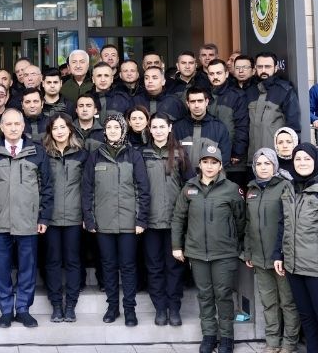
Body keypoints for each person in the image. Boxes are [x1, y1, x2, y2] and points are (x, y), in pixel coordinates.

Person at [0, 110, 54, 329]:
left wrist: (44, 216)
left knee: (27, 267)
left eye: (17, 124)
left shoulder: (37, 152)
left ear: (23, 126)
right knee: (1, 268)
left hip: (28, 221)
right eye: (9, 124)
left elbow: (47, 187)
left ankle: (23, 309)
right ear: (1, 127)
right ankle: (6, 310)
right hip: (0, 221)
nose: (13, 128)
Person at [173, 145, 246, 353]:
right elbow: (178, 218)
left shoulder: (231, 189)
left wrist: (235, 243)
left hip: (224, 253)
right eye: (205, 162)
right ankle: (209, 336)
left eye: (214, 162)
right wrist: (177, 246)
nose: (209, 166)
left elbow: (241, 220)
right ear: (199, 164)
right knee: (205, 295)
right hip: (197, 253)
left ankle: (227, 338)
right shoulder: (189, 188)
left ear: (220, 165)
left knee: (223, 295)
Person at [276, 143, 318, 353]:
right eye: (298, 159)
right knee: (306, 318)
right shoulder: (288, 188)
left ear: (315, 160)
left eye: (307, 158)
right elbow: (282, 224)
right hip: (293, 266)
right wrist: (278, 254)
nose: (302, 163)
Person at [81, 111, 150, 326]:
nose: (112, 131)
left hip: (129, 224)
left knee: (128, 267)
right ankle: (112, 307)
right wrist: (89, 219)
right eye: (109, 127)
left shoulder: (134, 155)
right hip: (103, 224)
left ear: (123, 130)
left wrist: (141, 220)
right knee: (108, 266)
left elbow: (142, 189)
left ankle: (130, 309)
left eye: (116, 127)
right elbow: (87, 190)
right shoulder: (95, 156)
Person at [242, 149, 299, 353]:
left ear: (274, 165)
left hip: (280, 258)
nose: (263, 167)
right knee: (268, 303)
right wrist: (248, 252)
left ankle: (289, 343)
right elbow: (248, 224)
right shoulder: (251, 190)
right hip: (259, 257)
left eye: (267, 163)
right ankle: (272, 342)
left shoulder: (285, 186)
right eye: (259, 164)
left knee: (287, 303)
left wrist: (282, 253)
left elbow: (289, 223)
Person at [141, 115, 186, 326]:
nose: (158, 130)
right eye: (154, 127)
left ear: (169, 128)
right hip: (150, 222)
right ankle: (160, 308)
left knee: (174, 267)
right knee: (154, 267)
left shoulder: (180, 153)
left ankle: (174, 308)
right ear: (149, 130)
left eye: (162, 126)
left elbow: (188, 186)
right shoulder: (142, 154)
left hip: (174, 222)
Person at [42, 114, 86, 323]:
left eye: (62, 127)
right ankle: (56, 305)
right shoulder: (44, 154)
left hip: (74, 218)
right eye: (55, 128)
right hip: (50, 218)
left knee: (73, 262)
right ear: (50, 132)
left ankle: (71, 305)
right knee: (52, 262)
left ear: (70, 129)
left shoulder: (82, 154)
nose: (59, 131)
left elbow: (87, 187)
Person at [248, 52, 302, 157]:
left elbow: (293, 125)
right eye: (260, 66)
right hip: (253, 157)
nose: (263, 70)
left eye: (267, 66)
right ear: (255, 68)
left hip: (276, 156)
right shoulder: (250, 90)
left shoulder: (285, 90)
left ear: (276, 68)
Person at [206, 59, 249, 171]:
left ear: (226, 74)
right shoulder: (205, 95)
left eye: (219, 73)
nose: (215, 77)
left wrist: (237, 152)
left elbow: (242, 126)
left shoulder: (237, 96)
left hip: (232, 158)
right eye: (211, 74)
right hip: (208, 155)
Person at [174, 88, 233, 168]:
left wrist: (208, 173)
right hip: (183, 176)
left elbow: (224, 159)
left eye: (200, 101)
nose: (196, 105)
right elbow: (172, 158)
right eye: (192, 101)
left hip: (210, 175)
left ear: (206, 102)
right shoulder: (177, 128)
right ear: (187, 103)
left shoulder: (219, 128)